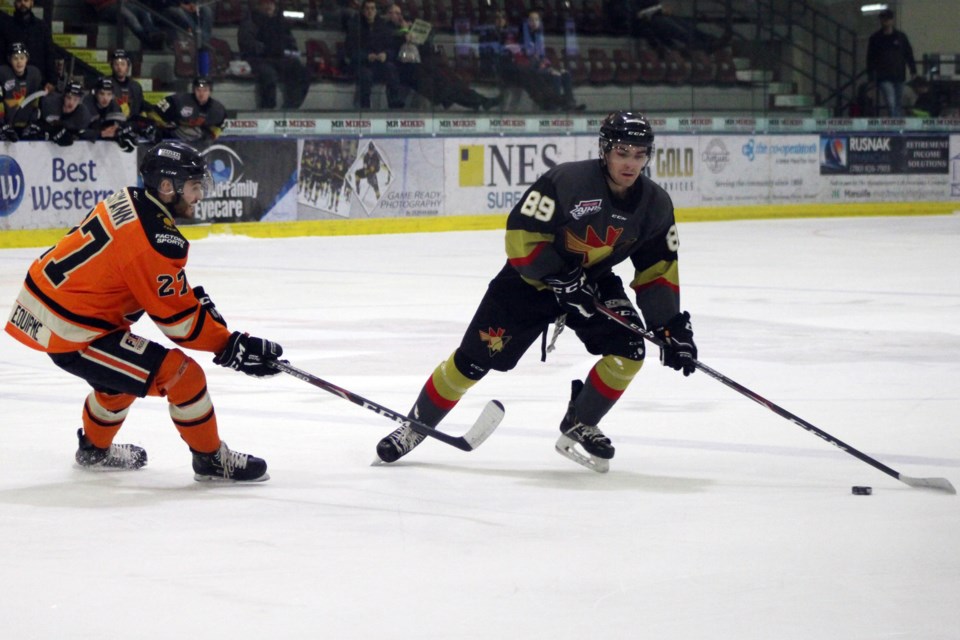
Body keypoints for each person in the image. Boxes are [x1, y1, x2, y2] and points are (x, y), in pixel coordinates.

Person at [376, 112, 698, 472]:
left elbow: (658, 268)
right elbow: (522, 233)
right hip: (530, 281)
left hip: (590, 282)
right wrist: (556, 273)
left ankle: (582, 421)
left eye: (640, 154)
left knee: (630, 350)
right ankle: (415, 425)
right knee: (471, 362)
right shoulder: (567, 181)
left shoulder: (655, 204)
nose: (631, 163)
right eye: (623, 152)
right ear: (605, 150)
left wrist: (669, 326)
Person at [4, 141, 284, 482]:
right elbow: (179, 324)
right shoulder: (154, 239)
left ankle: (93, 450)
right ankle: (211, 460)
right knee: (183, 375)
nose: (199, 195)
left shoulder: (131, 200)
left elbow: (140, 281)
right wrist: (231, 345)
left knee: (119, 382)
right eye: (195, 186)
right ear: (167, 187)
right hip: (71, 329)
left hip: (54, 306)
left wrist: (187, 302)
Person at [384, 3, 500, 111]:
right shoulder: (385, 29)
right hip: (404, 70)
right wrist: (405, 31)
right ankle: (479, 101)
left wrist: (416, 34)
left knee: (451, 83)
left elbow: (425, 45)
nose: (399, 16)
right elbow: (393, 43)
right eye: (395, 13)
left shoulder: (404, 27)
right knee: (444, 88)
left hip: (420, 65)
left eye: (400, 13)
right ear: (388, 15)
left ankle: (480, 100)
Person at [237, 0, 310, 110]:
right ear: (259, 5)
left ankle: (291, 107)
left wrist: (288, 52)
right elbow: (247, 44)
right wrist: (268, 49)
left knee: (301, 71)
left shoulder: (280, 22)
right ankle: (267, 109)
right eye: (266, 3)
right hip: (258, 59)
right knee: (268, 75)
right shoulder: (251, 22)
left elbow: (291, 44)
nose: (269, 6)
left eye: (272, 4)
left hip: (279, 58)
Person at [343, 0, 404, 109]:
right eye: (367, 8)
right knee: (366, 74)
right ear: (362, 11)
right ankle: (365, 107)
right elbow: (350, 51)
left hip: (379, 63)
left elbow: (391, 48)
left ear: (376, 11)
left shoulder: (382, 26)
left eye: (372, 8)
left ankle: (395, 104)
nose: (370, 11)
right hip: (361, 63)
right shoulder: (355, 26)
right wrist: (366, 56)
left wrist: (385, 54)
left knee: (391, 68)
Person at [866, 9, 916, 118]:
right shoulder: (876, 38)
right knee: (891, 101)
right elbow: (870, 58)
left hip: (898, 75)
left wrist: (913, 70)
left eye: (888, 19)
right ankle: (895, 122)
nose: (886, 22)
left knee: (897, 102)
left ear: (892, 20)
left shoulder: (901, 37)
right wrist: (871, 77)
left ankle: (895, 123)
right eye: (884, 20)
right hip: (884, 76)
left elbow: (908, 53)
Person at [0, 0, 56, 90]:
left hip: (39, 83)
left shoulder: (42, 27)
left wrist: (52, 80)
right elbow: (1, 55)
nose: (23, 4)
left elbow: (49, 54)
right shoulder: (6, 27)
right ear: (14, 3)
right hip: (12, 84)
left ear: (32, 3)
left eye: (26, 0)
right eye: (19, 1)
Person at [151, 76, 226, 142]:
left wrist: (209, 137)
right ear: (194, 90)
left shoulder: (217, 109)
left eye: (205, 90)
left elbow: (218, 127)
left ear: (210, 91)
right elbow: (155, 112)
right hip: (171, 140)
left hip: (199, 144)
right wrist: (167, 126)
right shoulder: (177, 101)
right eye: (198, 90)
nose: (201, 94)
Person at [0, 41, 44, 139]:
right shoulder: (3, 74)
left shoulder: (34, 74)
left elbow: (36, 102)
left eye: (22, 58)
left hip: (25, 125)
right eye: (15, 58)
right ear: (9, 60)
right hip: (6, 124)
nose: (19, 61)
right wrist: (2, 125)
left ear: (27, 59)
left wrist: (33, 123)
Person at [32, 80, 97, 145]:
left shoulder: (83, 115)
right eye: (69, 97)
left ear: (80, 101)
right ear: (64, 96)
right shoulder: (50, 104)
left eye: (75, 99)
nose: (71, 103)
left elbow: (88, 133)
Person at [85, 0, 166, 50]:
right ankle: (147, 41)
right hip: (105, 8)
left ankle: (153, 32)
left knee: (144, 12)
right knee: (131, 17)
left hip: (122, 4)